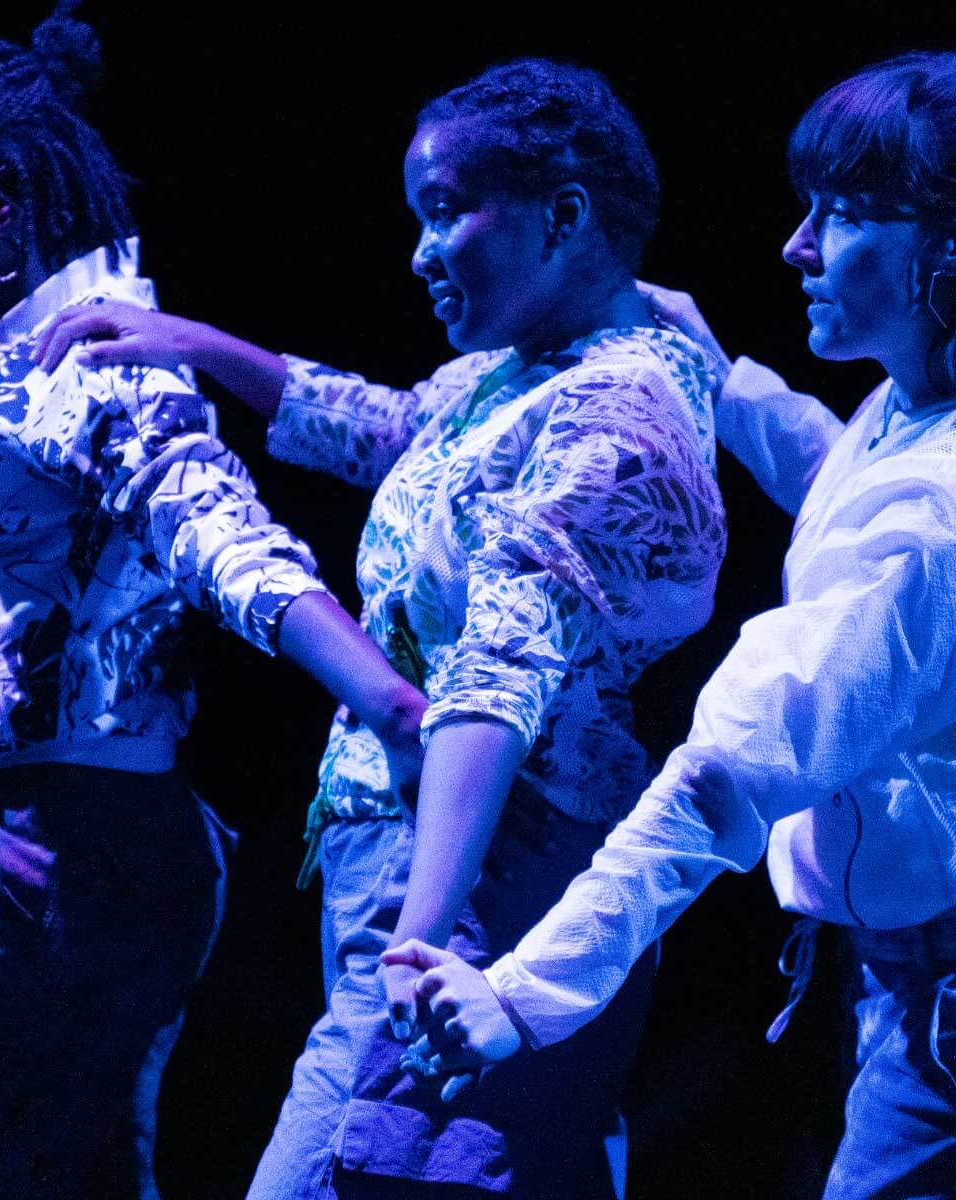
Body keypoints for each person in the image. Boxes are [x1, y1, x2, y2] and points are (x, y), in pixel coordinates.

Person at [0, 9, 428, 1199]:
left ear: (0, 203)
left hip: (51, 848)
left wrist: (383, 695)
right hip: (23, 850)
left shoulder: (88, 351)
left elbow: (218, 532)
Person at [37, 59, 727, 1198]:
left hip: (485, 875)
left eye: (447, 211)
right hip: (434, 875)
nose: (417, 251)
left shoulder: (618, 414)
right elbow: (396, 424)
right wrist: (200, 348)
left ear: (564, 216)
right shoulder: (513, 377)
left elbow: (501, 677)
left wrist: (420, 939)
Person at [383, 51, 956, 1200]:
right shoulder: (908, 415)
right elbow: (838, 477)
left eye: (842, 216)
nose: (796, 246)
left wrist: (524, 992)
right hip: (893, 971)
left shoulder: (935, 513)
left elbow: (728, 772)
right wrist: (727, 377)